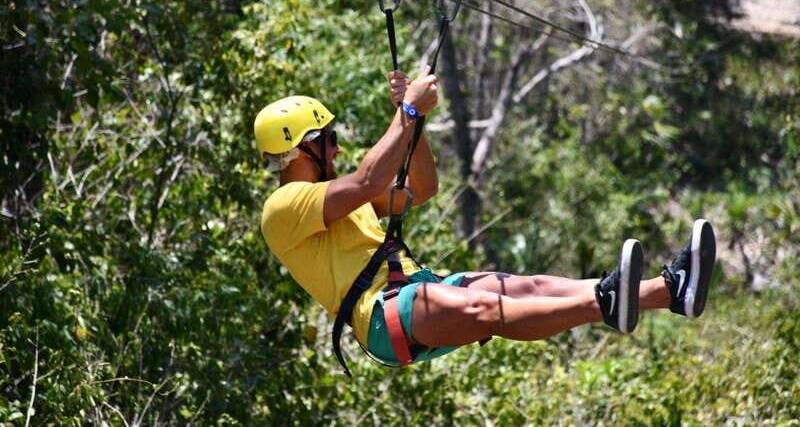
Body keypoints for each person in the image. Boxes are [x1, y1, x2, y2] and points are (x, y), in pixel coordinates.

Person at [254, 67, 717, 370]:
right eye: (329, 138)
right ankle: (605, 302)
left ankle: (670, 292)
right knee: (486, 310)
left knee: (522, 287)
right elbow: (368, 180)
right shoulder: (285, 208)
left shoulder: (332, 200)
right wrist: (409, 110)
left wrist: (412, 120)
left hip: (416, 289)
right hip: (382, 315)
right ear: (302, 146)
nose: (336, 147)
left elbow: (422, 188)